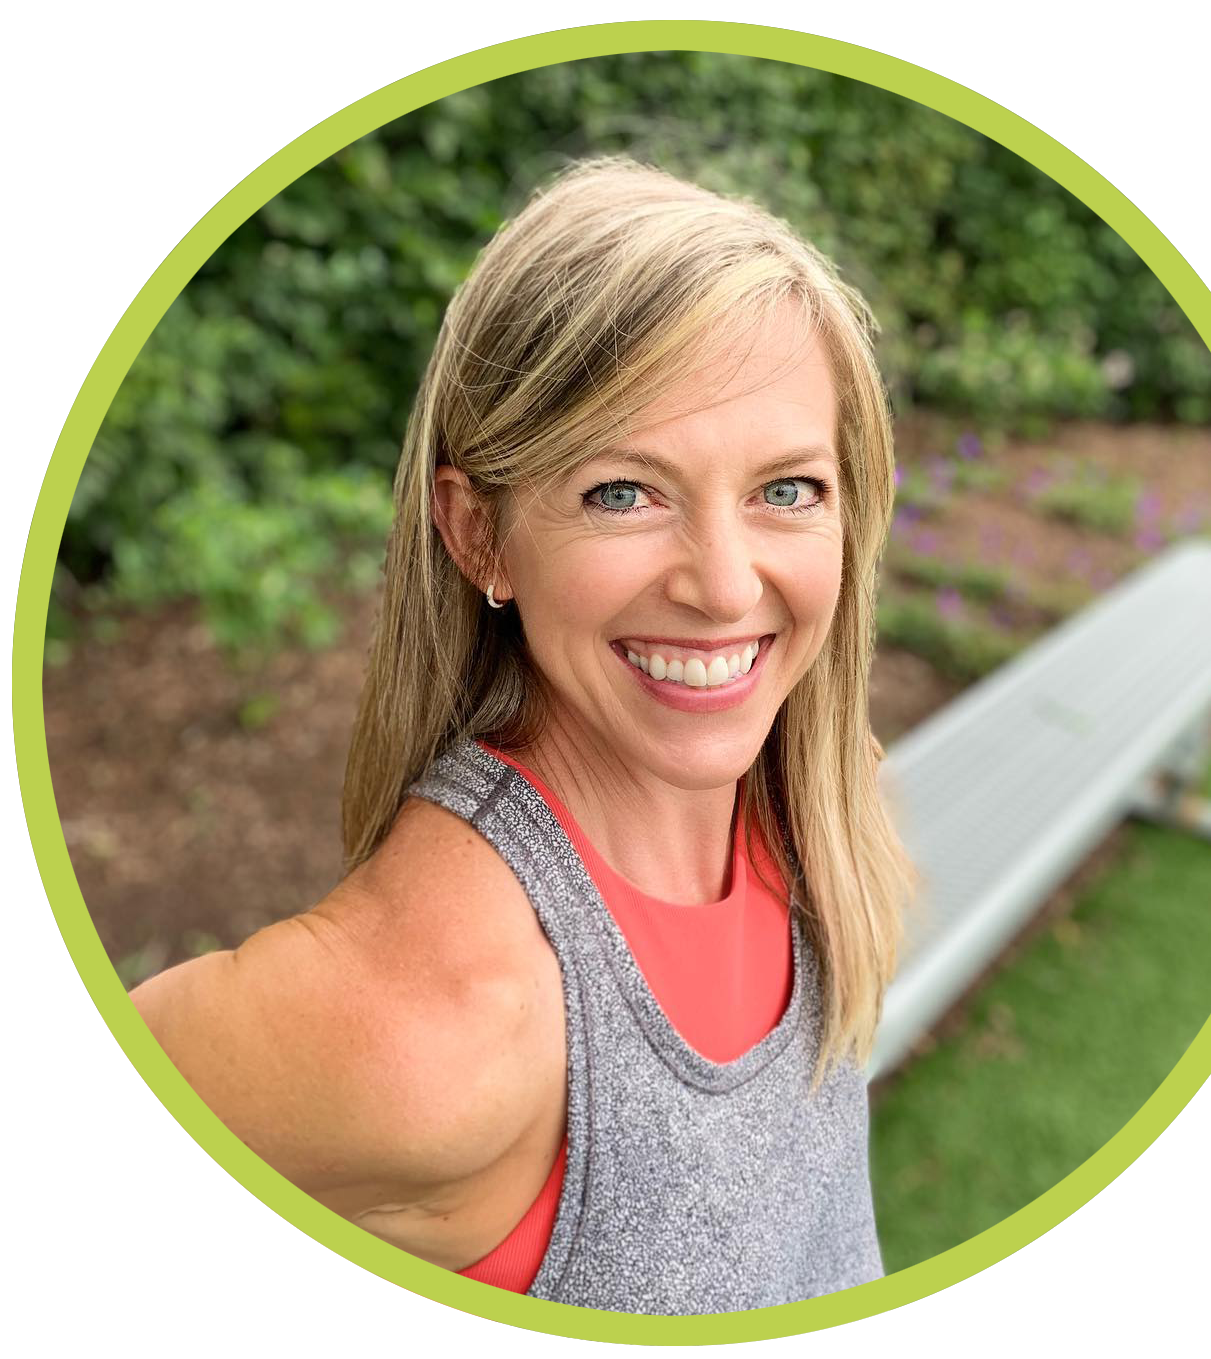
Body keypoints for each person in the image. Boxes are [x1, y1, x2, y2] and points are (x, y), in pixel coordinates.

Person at [130, 155, 916, 1315]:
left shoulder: (807, 807)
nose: (723, 585)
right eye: (623, 492)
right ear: (479, 534)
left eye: (787, 490)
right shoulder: (435, 1016)